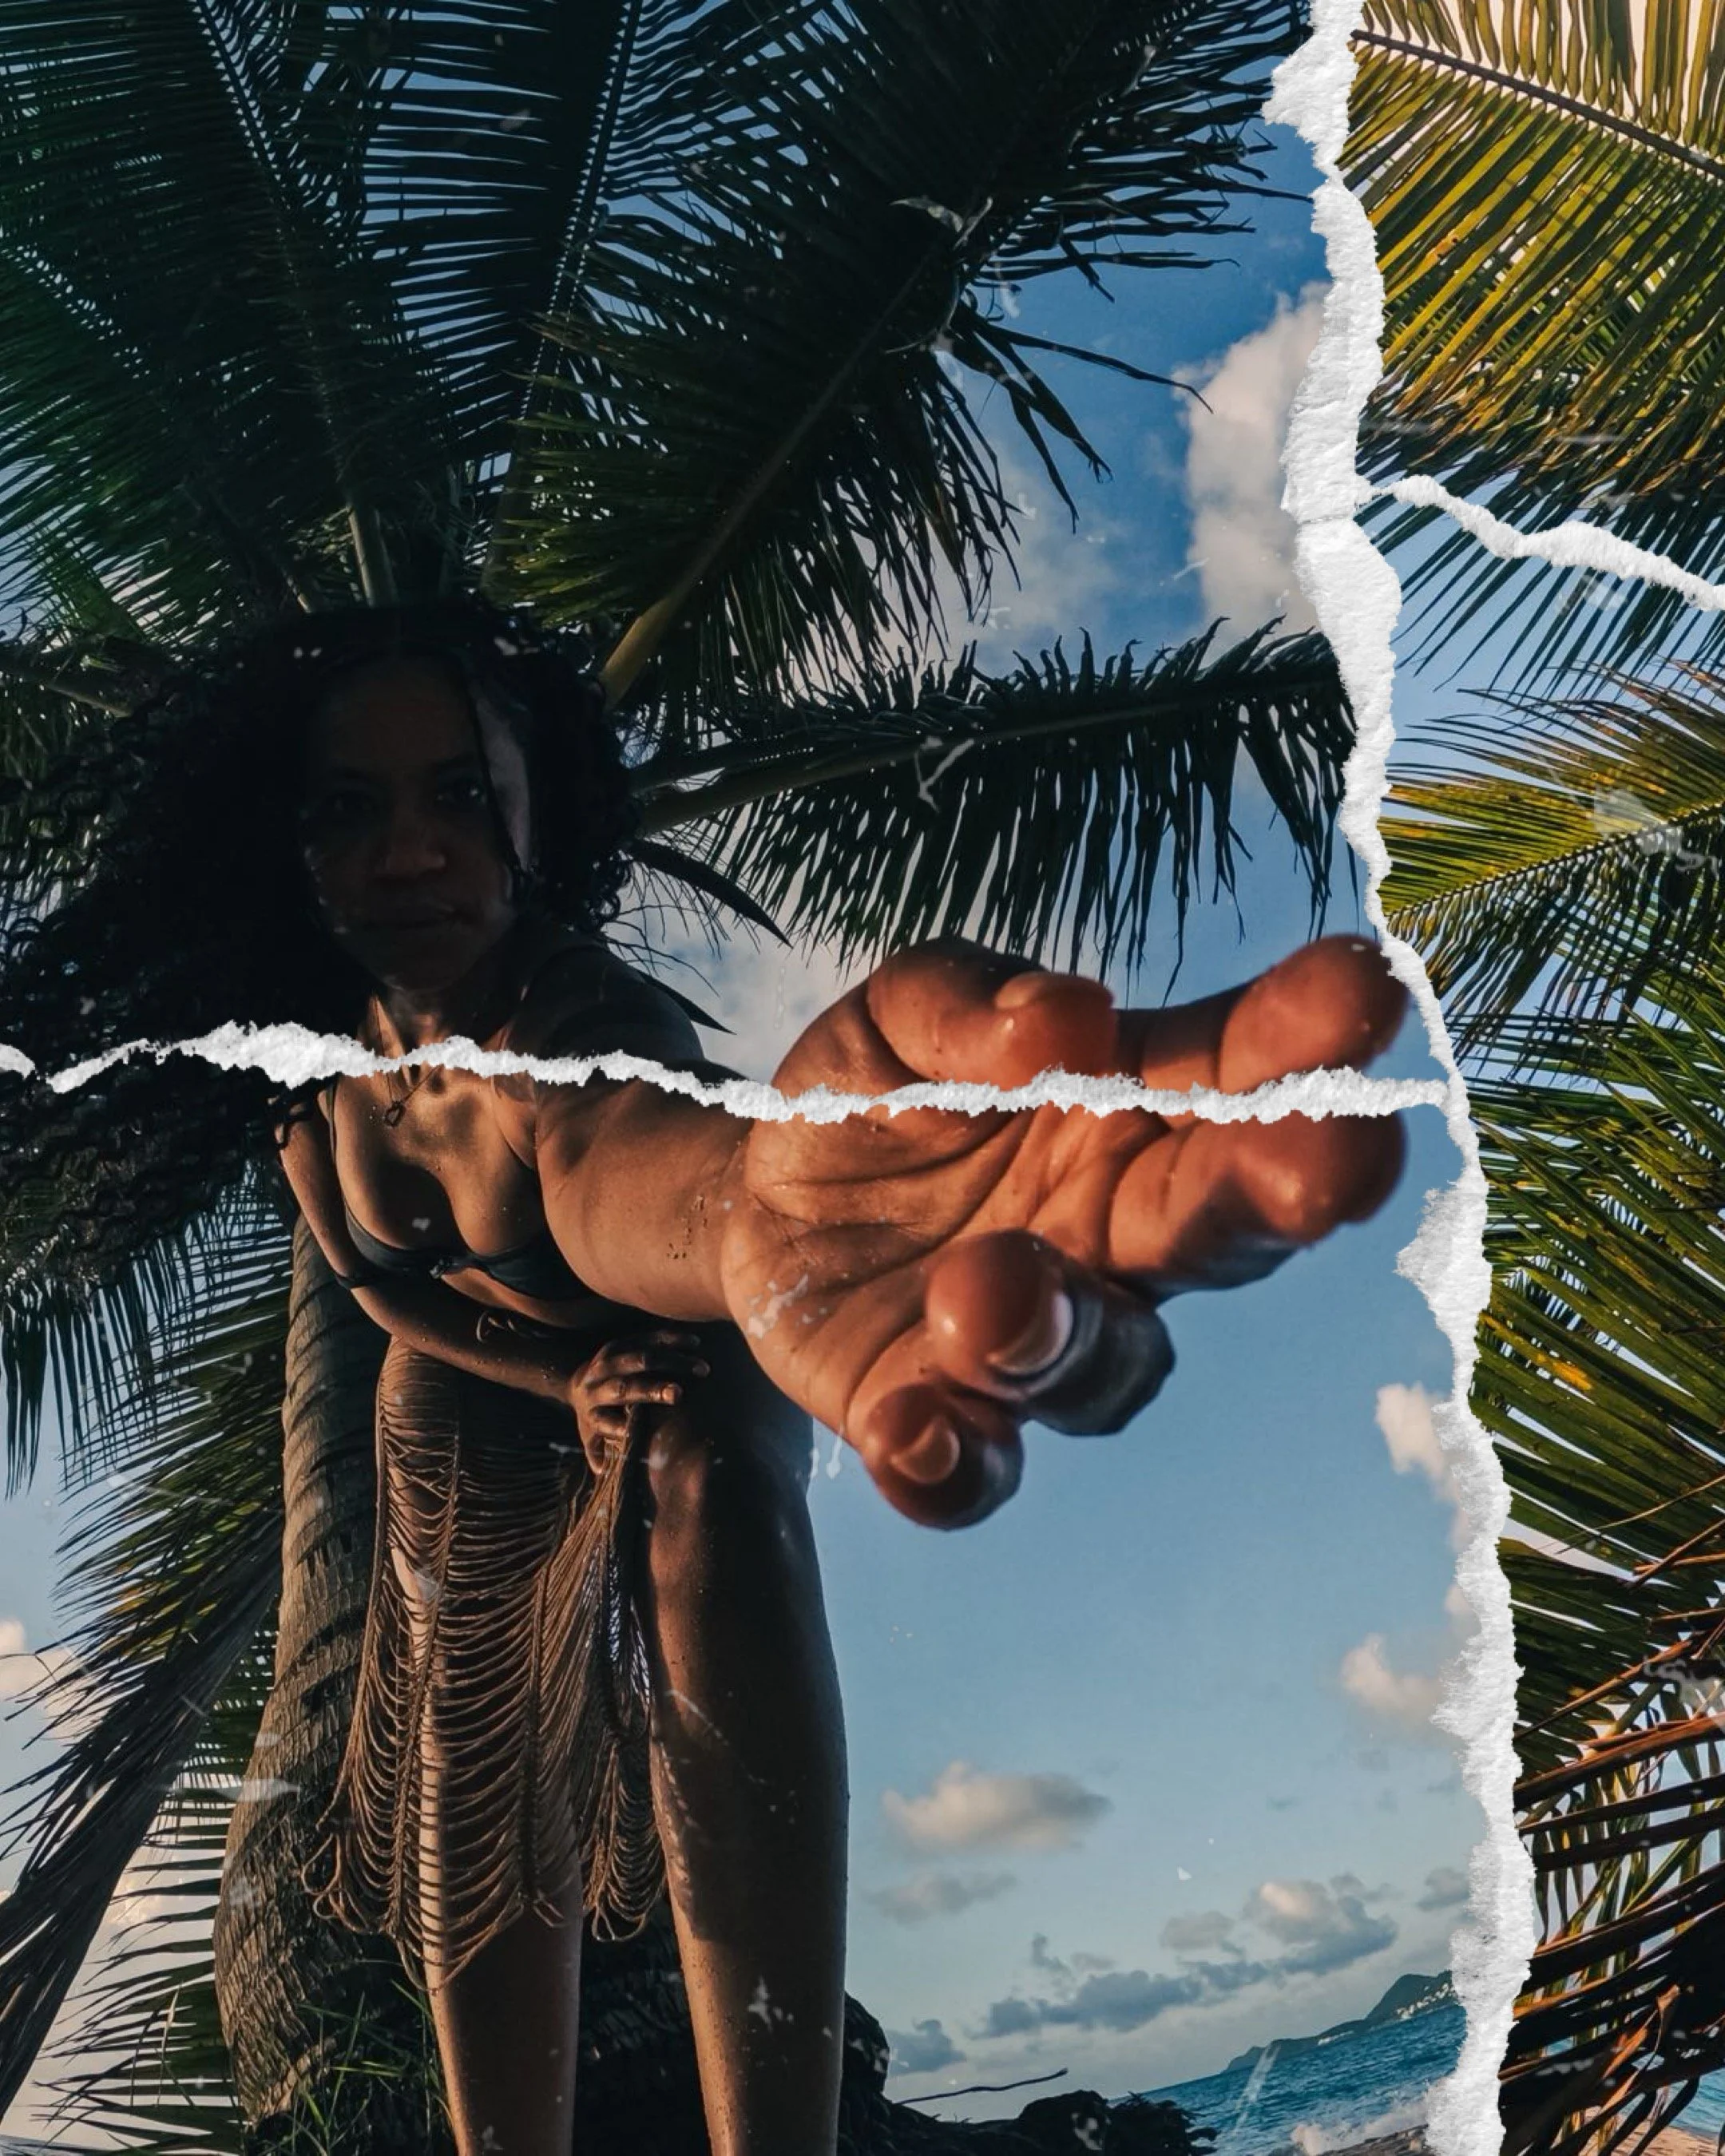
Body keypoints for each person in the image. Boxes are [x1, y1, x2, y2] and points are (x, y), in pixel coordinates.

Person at [0, 598, 1408, 2156]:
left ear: (540, 825)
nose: (409, 847)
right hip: (513, 1375)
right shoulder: (317, 1094)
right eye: (352, 809)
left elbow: (641, 1173)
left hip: (691, 1330)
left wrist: (751, 1219)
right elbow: (387, 1294)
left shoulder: (579, 1028)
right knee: (443, 1512)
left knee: (703, 1472)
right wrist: (552, 1377)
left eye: (458, 795)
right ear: (291, 850)